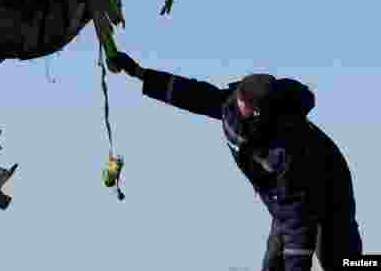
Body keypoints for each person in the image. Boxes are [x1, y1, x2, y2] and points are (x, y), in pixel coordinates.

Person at [108, 51, 363, 271]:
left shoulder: (286, 149)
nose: (235, 106)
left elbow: (299, 224)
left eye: (243, 105)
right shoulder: (232, 105)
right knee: (274, 264)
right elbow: (194, 94)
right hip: (284, 202)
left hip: (327, 189)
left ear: (260, 114)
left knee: (342, 262)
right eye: (238, 99)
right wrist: (139, 72)